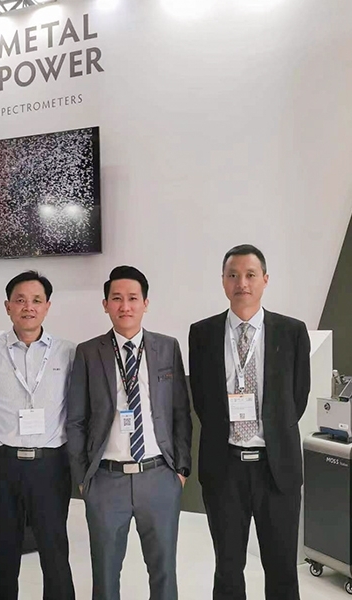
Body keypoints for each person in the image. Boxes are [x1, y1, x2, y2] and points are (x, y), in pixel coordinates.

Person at [188, 244, 310, 600]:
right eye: (233, 275)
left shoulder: (291, 331)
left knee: (282, 568)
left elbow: (297, 397)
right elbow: (202, 400)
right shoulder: (203, 333)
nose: (242, 283)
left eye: (250, 275)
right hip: (224, 467)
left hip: (277, 468)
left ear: (265, 280)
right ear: (223, 282)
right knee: (227, 568)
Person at [67, 265, 192, 600]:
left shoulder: (167, 347)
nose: (125, 306)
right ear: (105, 304)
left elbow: (181, 412)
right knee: (106, 574)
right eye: (117, 298)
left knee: (164, 572)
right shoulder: (88, 352)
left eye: (133, 298)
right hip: (106, 480)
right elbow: (75, 419)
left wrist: (180, 469)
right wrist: (84, 478)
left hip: (159, 476)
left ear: (145, 303)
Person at [0, 270, 76, 600]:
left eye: (37, 300)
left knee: (54, 549)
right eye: (20, 300)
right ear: (7, 306)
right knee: (3, 550)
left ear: (47, 306)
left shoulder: (67, 352)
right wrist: (5, 436)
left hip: (50, 466)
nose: (28, 307)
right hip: (3, 464)